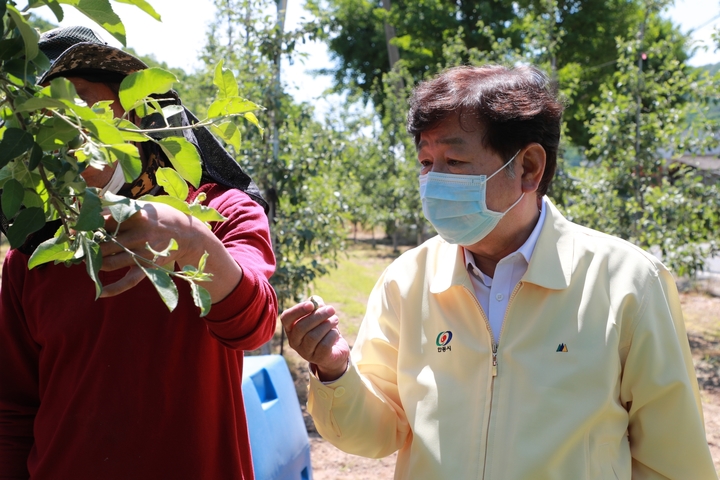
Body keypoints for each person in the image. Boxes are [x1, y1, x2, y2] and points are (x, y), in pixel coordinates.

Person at [280, 65, 717, 479]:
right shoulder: (407, 281)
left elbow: (672, 459)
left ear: (528, 168)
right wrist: (336, 371)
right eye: (426, 163)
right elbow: (377, 433)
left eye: (454, 162)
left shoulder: (627, 283)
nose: (433, 182)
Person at [0, 26, 277, 479]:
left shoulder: (216, 211)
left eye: (82, 98)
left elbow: (255, 322)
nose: (68, 123)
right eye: (46, 113)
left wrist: (191, 240)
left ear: (130, 111)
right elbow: (12, 412)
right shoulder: (34, 258)